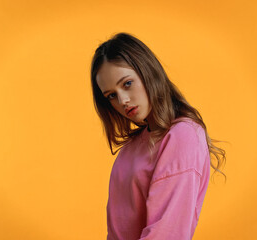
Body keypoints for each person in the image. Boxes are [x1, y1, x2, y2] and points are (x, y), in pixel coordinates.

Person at [90, 32, 226, 240]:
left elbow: (167, 233)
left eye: (127, 83)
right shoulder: (131, 148)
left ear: (148, 72)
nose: (123, 100)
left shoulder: (183, 136)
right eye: (111, 96)